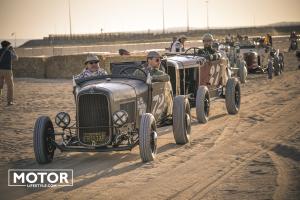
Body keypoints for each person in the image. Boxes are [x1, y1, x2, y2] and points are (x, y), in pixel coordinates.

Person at [0, 40, 18, 106]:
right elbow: (16, 58)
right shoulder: (9, 52)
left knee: (0, 86)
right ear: (7, 45)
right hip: (7, 70)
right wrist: (13, 50)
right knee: (10, 86)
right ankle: (9, 101)